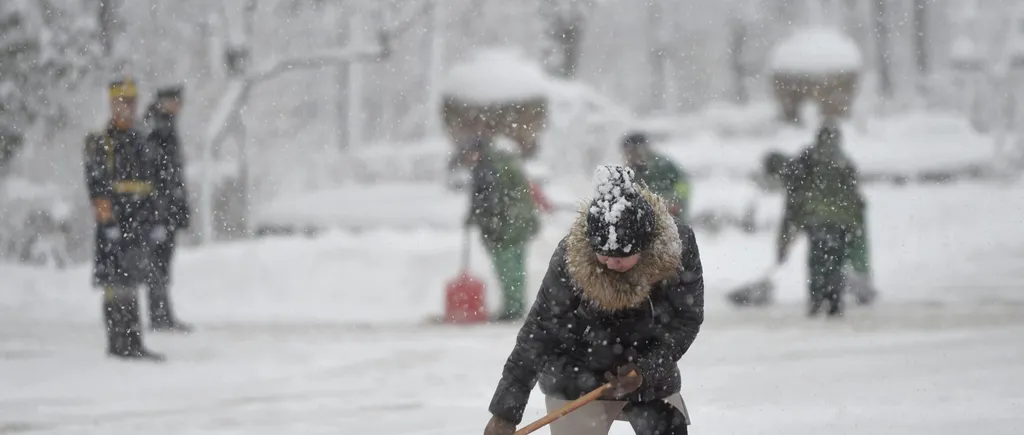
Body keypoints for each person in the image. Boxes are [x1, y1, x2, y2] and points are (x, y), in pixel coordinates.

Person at [484, 165, 704, 435]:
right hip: (575, 371)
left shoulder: (677, 248)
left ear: (646, 246)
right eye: (603, 254)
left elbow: (686, 318)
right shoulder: (571, 258)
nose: (611, 263)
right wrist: (505, 412)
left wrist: (647, 369)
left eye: (622, 256)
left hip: (648, 370)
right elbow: (539, 331)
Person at [84, 77, 167, 361]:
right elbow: (97, 185)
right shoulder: (101, 142)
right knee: (114, 284)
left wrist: (156, 218)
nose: (127, 108)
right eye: (122, 102)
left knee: (131, 282)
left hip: (138, 220)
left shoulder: (142, 139)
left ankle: (134, 343)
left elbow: (153, 181)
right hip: (115, 221)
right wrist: (107, 221)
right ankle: (117, 343)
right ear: (112, 104)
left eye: (131, 102)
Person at [776, 121, 866, 316]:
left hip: (816, 219)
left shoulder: (808, 158)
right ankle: (835, 302)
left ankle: (816, 301)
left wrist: (784, 240)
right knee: (836, 261)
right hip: (841, 221)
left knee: (817, 261)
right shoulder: (844, 161)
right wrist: (855, 223)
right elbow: (854, 197)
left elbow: (794, 196)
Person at [458, 136, 540, 322]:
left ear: (475, 152)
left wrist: (479, 219)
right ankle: (516, 306)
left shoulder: (486, 168)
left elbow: (487, 200)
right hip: (521, 223)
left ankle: (512, 309)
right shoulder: (504, 162)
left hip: (506, 227)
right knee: (517, 267)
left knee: (506, 267)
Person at [143, 85, 193, 332]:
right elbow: (158, 175)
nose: (179, 106)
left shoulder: (166, 126)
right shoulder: (156, 128)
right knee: (157, 263)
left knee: (163, 263)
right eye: (175, 101)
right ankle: (159, 314)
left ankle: (163, 313)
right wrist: (159, 212)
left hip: (167, 209)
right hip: (158, 210)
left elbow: (173, 174)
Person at [622, 132, 692, 226]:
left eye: (632, 151)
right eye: (627, 153)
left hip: (671, 219)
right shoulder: (630, 171)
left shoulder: (662, 165)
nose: (629, 156)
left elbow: (681, 187)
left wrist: (676, 203)